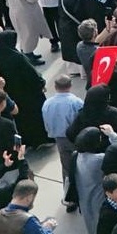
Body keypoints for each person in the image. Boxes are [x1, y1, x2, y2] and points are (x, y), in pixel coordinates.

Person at [0, 31, 49, 148]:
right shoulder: (17, 57)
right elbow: (31, 74)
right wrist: (41, 84)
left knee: (21, 119)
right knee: (35, 117)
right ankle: (41, 138)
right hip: (29, 93)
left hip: (12, 95)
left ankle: (27, 140)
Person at [41, 75, 83, 209]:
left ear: (55, 87)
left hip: (60, 139)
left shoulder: (47, 103)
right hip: (76, 138)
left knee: (66, 168)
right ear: (70, 86)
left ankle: (70, 197)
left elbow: (46, 123)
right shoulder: (76, 102)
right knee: (82, 165)